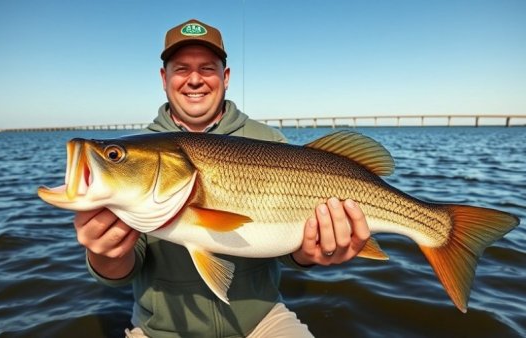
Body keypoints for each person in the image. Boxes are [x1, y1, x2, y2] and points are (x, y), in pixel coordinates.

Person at [73, 19, 371, 338]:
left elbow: (288, 249)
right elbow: (121, 270)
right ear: (164, 78)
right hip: (160, 329)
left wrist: (311, 252)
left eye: (207, 68)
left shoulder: (269, 139)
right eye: (182, 68)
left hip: (262, 320)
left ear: (225, 77)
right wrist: (104, 254)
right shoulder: (140, 150)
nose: (195, 79)